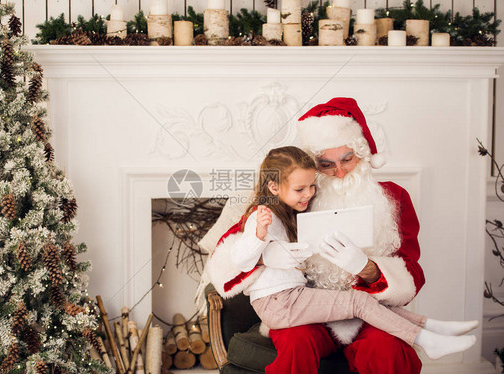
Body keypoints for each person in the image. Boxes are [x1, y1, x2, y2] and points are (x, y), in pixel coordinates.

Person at [203, 97, 478, 374]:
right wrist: (268, 257)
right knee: (297, 342)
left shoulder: (393, 197)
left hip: (371, 314)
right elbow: (231, 252)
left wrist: (366, 268)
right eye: (326, 164)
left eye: (348, 159)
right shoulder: (299, 195)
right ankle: (428, 331)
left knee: (387, 349)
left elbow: (412, 273)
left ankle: (428, 331)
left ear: (363, 154)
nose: (340, 171)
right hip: (306, 312)